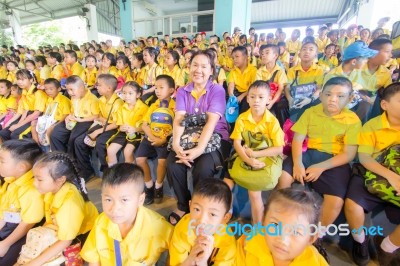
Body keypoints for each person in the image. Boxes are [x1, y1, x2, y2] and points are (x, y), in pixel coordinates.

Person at [277, 77, 362, 262]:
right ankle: (279, 221)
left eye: (340, 96)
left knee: (336, 201)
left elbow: (348, 154)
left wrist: (320, 167)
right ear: (321, 95)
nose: (333, 99)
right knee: (283, 178)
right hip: (307, 154)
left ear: (349, 99)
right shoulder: (311, 112)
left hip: (334, 160)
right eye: (329, 94)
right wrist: (298, 163)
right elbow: (298, 139)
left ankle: (315, 236)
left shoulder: (352, 120)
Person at [166, 49, 230, 225]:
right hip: (187, 136)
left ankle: (200, 207)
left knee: (202, 167)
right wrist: (177, 145)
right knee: (173, 163)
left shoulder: (217, 90)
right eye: (195, 65)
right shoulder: (182, 91)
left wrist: (199, 149)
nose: (198, 70)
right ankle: (183, 205)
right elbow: (179, 118)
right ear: (189, 67)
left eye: (204, 66)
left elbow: (211, 122)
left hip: (215, 136)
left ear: (211, 70)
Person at [344, 83, 400, 266]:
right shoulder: (372, 126)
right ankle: (360, 241)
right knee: (352, 205)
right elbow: (365, 158)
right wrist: (392, 177)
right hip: (371, 173)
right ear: (384, 105)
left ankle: (387, 247)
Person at [80, 163, 173, 265]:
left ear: (140, 200)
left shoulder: (158, 227)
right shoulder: (101, 222)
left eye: (124, 200)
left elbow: (178, 247)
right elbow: (93, 259)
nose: (115, 209)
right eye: (108, 199)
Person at [17, 152, 98, 265]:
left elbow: (66, 240)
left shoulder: (69, 204)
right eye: (34, 177)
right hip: (61, 231)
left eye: (39, 179)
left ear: (60, 180)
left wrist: (34, 263)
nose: (34, 183)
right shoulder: (53, 189)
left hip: (81, 236)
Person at [227, 80, 284, 224]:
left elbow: (279, 148)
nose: (256, 101)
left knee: (254, 194)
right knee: (226, 183)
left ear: (269, 99)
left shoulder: (272, 121)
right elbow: (237, 143)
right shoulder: (242, 118)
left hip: (265, 156)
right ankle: (226, 215)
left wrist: (255, 155)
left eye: (261, 97)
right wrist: (248, 159)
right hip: (245, 155)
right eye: (252, 97)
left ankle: (257, 228)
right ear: (247, 98)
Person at [236, 188, 328, 265]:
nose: (282, 239)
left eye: (295, 232)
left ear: (311, 238)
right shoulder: (248, 243)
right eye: (275, 225)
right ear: (264, 220)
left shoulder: (315, 263)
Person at [169, 178, 236, 265]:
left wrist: (202, 263)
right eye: (197, 209)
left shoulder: (227, 244)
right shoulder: (182, 230)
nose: (202, 220)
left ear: (225, 218)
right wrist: (191, 258)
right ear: (190, 206)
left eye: (212, 214)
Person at [0, 140, 44, 265]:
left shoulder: (31, 189)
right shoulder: (10, 181)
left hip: (26, 231)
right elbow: (4, 213)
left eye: (2, 161)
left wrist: (5, 244)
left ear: (21, 167)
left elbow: (28, 223)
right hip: (11, 226)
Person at [74, 74, 123, 179]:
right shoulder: (101, 100)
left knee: (101, 142)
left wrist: (98, 131)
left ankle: (106, 169)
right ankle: (86, 169)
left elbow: (115, 124)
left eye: (99, 85)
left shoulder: (117, 103)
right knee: (79, 140)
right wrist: (104, 121)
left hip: (113, 128)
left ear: (109, 88)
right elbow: (99, 117)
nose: (96, 87)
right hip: (104, 124)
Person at [136, 75, 175, 205]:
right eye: (156, 88)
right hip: (151, 137)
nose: (157, 91)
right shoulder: (153, 105)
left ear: (171, 90)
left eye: (161, 88)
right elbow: (144, 124)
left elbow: (176, 126)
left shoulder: (175, 106)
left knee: (162, 161)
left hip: (165, 139)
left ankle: (159, 187)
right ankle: (149, 186)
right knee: (139, 159)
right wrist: (152, 137)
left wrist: (164, 139)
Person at [50, 76, 99, 177]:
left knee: (75, 139)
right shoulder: (73, 97)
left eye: (72, 89)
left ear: (81, 88)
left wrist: (81, 119)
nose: (69, 92)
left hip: (86, 121)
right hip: (74, 120)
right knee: (55, 134)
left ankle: (82, 169)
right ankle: (62, 162)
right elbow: (72, 111)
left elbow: (96, 116)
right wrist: (69, 116)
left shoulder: (92, 99)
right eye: (68, 89)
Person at [107, 81, 148, 166]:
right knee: (110, 150)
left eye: (130, 93)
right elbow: (120, 124)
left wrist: (135, 129)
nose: (126, 96)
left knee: (127, 151)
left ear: (138, 95)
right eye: (124, 93)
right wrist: (121, 127)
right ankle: (112, 173)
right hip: (123, 133)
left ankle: (130, 175)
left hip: (137, 133)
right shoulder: (122, 107)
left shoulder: (144, 108)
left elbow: (145, 126)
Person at [0, 70, 48, 142]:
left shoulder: (38, 93)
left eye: (22, 79)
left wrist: (18, 126)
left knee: (16, 134)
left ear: (31, 80)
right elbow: (25, 111)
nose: (19, 82)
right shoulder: (24, 92)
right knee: (4, 132)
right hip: (27, 116)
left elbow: (36, 113)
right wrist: (17, 124)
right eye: (18, 79)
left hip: (36, 118)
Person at [284, 41, 324, 122]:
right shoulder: (292, 70)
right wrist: (290, 99)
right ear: (299, 53)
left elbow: (319, 88)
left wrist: (310, 99)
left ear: (316, 54)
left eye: (311, 49)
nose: (307, 52)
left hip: (312, 101)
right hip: (296, 101)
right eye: (304, 49)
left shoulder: (319, 70)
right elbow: (287, 87)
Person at [35, 78, 71, 147]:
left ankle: (51, 150)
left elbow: (65, 115)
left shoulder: (64, 100)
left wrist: (54, 125)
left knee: (49, 131)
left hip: (60, 121)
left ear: (59, 89)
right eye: (46, 89)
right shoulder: (49, 99)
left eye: (51, 89)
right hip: (49, 119)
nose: (48, 91)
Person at [227, 46, 257, 114]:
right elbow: (231, 85)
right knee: (229, 106)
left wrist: (242, 96)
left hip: (248, 93)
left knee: (245, 106)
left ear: (245, 57)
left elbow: (253, 87)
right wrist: (231, 95)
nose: (234, 59)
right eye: (233, 58)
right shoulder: (233, 71)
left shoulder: (253, 70)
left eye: (237, 56)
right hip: (236, 93)